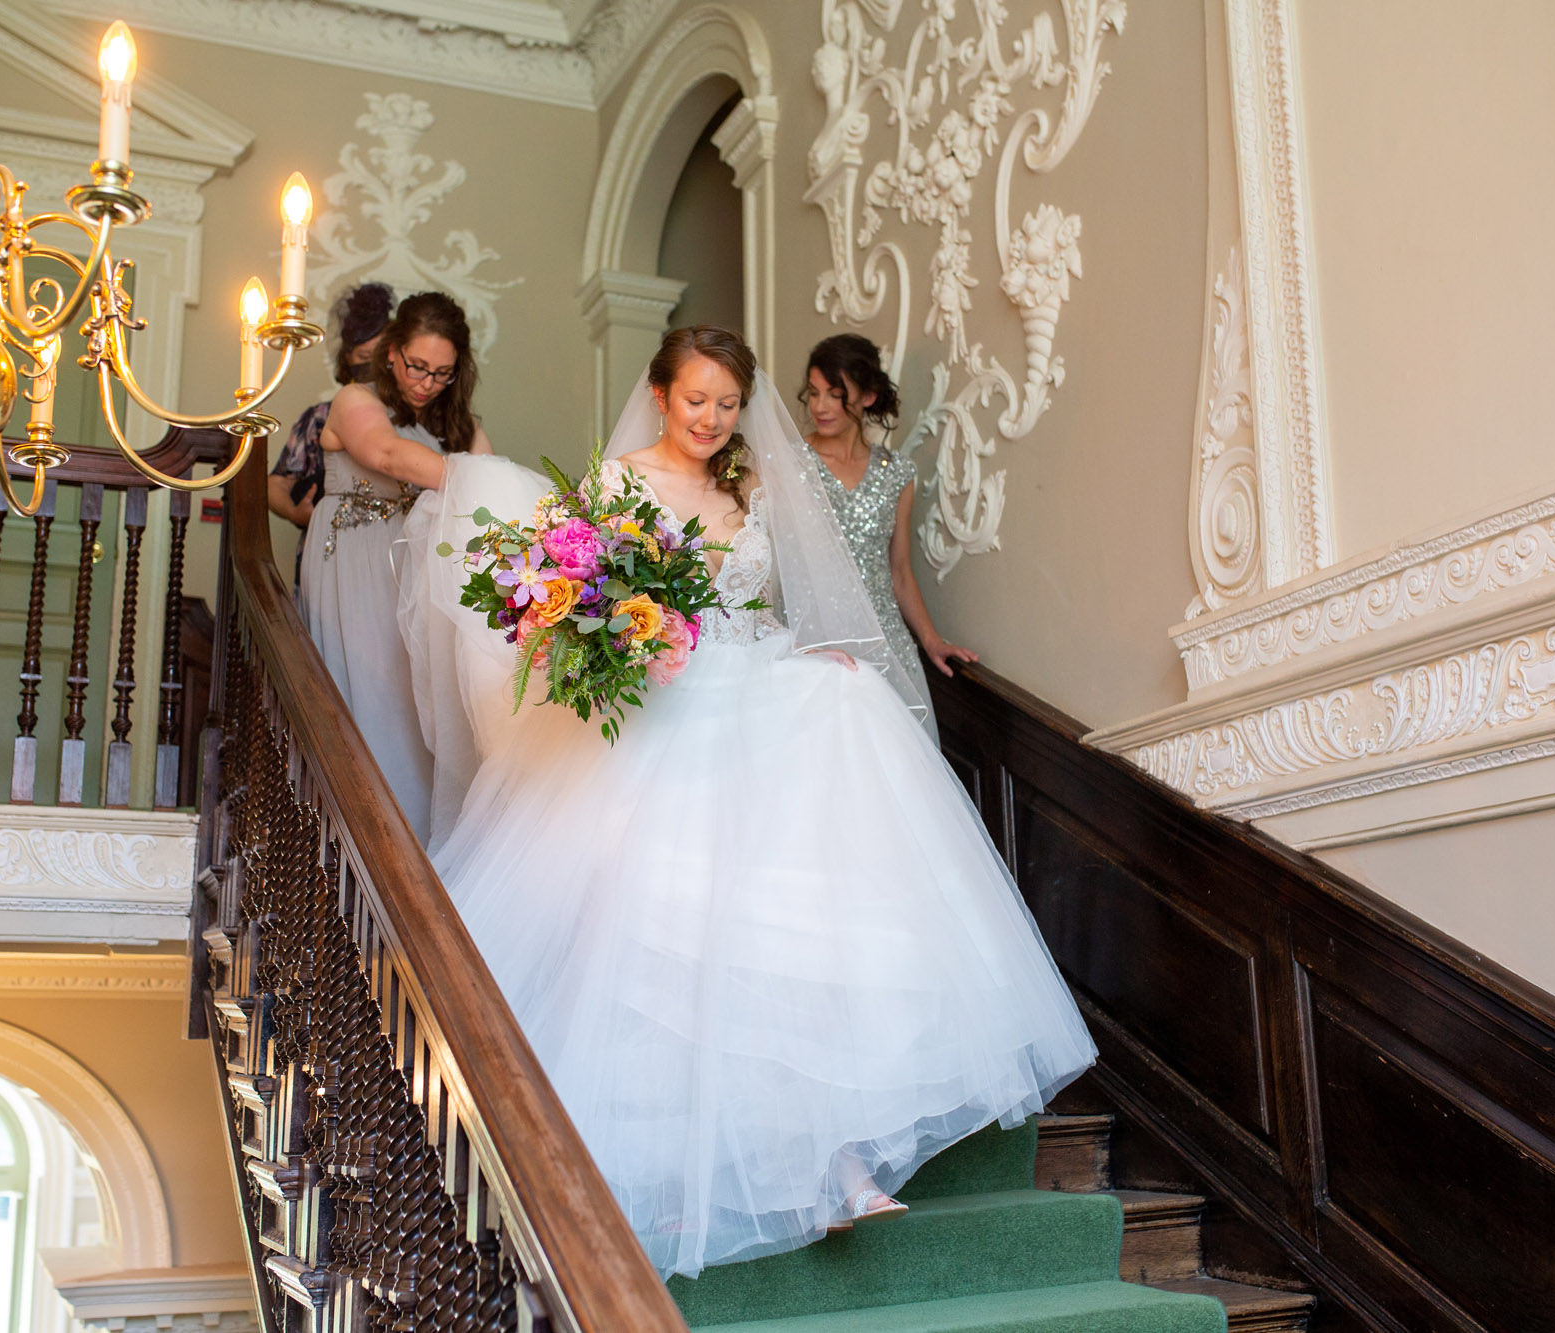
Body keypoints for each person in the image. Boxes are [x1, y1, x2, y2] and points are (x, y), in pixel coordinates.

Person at [398, 326, 1095, 1281]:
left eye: (727, 404)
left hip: (750, 683)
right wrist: (618, 646)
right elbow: (570, 612)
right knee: (687, 920)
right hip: (661, 707)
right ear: (659, 393)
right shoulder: (612, 489)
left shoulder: (756, 482)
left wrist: (809, 651)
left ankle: (838, 1155)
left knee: (829, 790)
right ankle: (796, 1161)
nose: (712, 420)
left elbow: (771, 606)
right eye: (696, 401)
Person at [301, 290, 490, 838]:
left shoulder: (460, 425)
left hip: (420, 569)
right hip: (356, 561)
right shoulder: (353, 400)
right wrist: (484, 482)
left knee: (422, 703)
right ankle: (360, 836)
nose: (427, 383)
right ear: (391, 353)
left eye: (443, 373)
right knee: (370, 696)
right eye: (417, 366)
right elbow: (385, 454)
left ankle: (416, 848)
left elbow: (489, 502)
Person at [801, 334, 978, 700]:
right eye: (813, 392)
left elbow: (898, 571)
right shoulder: (787, 462)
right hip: (815, 642)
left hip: (885, 648)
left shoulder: (896, 473)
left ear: (867, 396)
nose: (820, 406)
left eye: (835, 394)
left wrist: (931, 641)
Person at [268, 281, 395, 587]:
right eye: (364, 355)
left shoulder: (406, 420)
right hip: (324, 560)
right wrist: (297, 514)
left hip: (387, 563)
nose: (372, 366)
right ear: (348, 358)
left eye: (380, 355)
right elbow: (276, 483)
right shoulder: (318, 419)